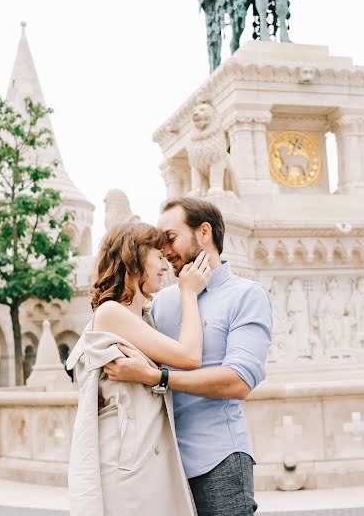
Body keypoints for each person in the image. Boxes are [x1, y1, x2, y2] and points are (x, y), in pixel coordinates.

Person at [105, 197, 273, 516]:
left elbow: (238, 382)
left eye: (171, 238)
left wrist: (158, 377)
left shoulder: (247, 296)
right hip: (160, 465)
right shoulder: (160, 301)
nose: (165, 251)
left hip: (218, 460)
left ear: (204, 232)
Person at [67, 222, 212, 516]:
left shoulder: (142, 318)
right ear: (133, 258)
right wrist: (188, 294)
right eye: (158, 256)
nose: (165, 266)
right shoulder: (110, 313)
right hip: (128, 469)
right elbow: (189, 356)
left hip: (145, 462)